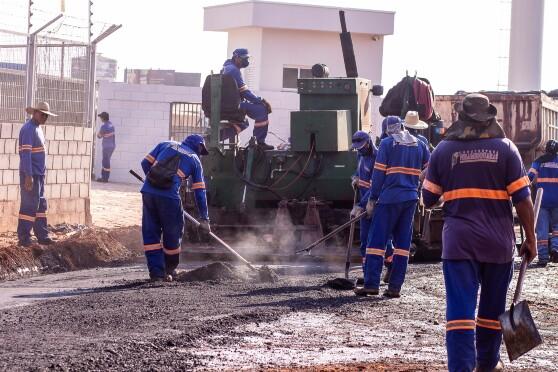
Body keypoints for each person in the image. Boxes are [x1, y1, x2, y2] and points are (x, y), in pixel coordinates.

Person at [422, 93, 536, 372]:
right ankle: (486, 363)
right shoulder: (507, 149)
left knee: (460, 311)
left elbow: (428, 199)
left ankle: (461, 367)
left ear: (461, 118)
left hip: (459, 243)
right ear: (490, 118)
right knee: (492, 309)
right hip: (497, 243)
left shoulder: (443, 151)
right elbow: (523, 199)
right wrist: (531, 238)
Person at [355, 116, 430, 297]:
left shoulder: (387, 144)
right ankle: (395, 288)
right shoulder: (420, 145)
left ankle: (372, 285)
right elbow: (431, 168)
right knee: (403, 245)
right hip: (410, 200)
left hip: (388, 200)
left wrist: (371, 200)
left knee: (376, 242)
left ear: (386, 130)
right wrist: (418, 184)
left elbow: (379, 175)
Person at [140, 134, 210, 281]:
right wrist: (204, 218)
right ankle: (169, 269)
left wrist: (154, 182)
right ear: (199, 147)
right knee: (173, 233)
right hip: (170, 198)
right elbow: (200, 191)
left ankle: (157, 274)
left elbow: (145, 163)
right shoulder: (195, 159)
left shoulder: (165, 144)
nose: (200, 154)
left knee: (150, 233)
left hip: (148, 193)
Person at [17, 102, 57, 247]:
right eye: (42, 114)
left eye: (46, 115)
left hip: (39, 175)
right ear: (35, 113)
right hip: (31, 174)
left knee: (40, 205)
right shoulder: (28, 129)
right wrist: (28, 175)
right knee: (29, 205)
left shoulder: (37, 128)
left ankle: (42, 235)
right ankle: (24, 238)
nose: (45, 117)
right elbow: (25, 154)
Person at [221, 48, 274, 150]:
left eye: (247, 58)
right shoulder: (233, 70)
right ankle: (259, 142)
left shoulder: (227, 67)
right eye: (244, 58)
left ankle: (215, 137)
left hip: (227, 104)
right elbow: (245, 93)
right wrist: (261, 100)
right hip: (233, 106)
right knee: (261, 109)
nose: (246, 61)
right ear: (236, 58)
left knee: (243, 123)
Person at [349, 131, 377, 274]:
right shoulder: (360, 155)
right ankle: (367, 274)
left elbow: (375, 186)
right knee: (364, 241)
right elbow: (358, 172)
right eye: (357, 147)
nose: (360, 149)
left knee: (378, 242)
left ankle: (390, 267)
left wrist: (361, 205)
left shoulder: (377, 157)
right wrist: (355, 178)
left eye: (362, 146)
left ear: (369, 142)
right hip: (363, 203)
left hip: (373, 205)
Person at [528, 139, 558, 266]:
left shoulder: (538, 161)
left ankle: (543, 257)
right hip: (557, 200)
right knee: (557, 228)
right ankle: (555, 248)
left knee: (542, 230)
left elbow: (529, 177)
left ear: (545, 149)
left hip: (542, 201)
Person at [96, 111, 115, 183]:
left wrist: (98, 134)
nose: (100, 118)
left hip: (107, 146)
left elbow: (99, 136)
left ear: (103, 118)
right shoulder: (111, 125)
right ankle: (104, 177)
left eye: (101, 117)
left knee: (105, 162)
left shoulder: (104, 126)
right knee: (106, 161)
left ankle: (105, 178)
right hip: (112, 146)